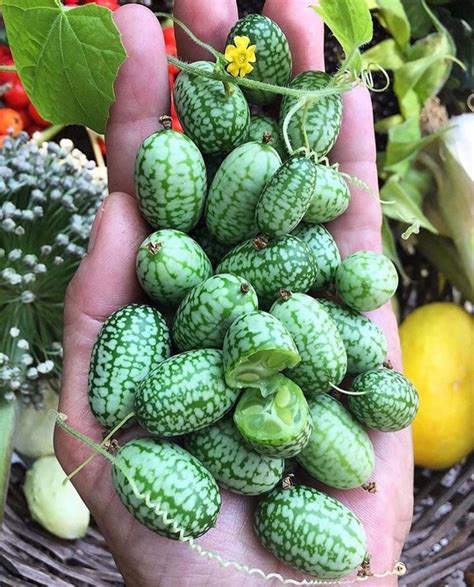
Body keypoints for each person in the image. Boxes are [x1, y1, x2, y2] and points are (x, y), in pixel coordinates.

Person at [55, 1, 414, 584]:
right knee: (170, 255)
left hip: (249, 315)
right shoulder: (233, 303)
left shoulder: (295, 340)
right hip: (224, 304)